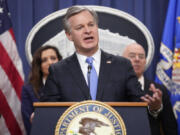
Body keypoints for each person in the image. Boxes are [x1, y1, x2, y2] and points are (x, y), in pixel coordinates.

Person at [40, 6, 162, 115]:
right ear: (69, 35)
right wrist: (39, 116)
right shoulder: (58, 70)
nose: (88, 30)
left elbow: (140, 104)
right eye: (80, 27)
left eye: (91, 25)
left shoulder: (122, 65)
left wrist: (154, 106)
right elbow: (48, 111)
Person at [122, 43, 178, 135]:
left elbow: (170, 127)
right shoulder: (113, 86)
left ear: (145, 61)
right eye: (132, 56)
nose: (137, 59)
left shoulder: (159, 90)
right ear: (122, 60)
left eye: (141, 57)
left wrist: (157, 108)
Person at [21, 45, 62, 135]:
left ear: (59, 60)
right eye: (44, 60)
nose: (50, 62)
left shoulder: (71, 83)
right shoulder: (28, 89)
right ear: (39, 65)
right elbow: (28, 121)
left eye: (53, 58)